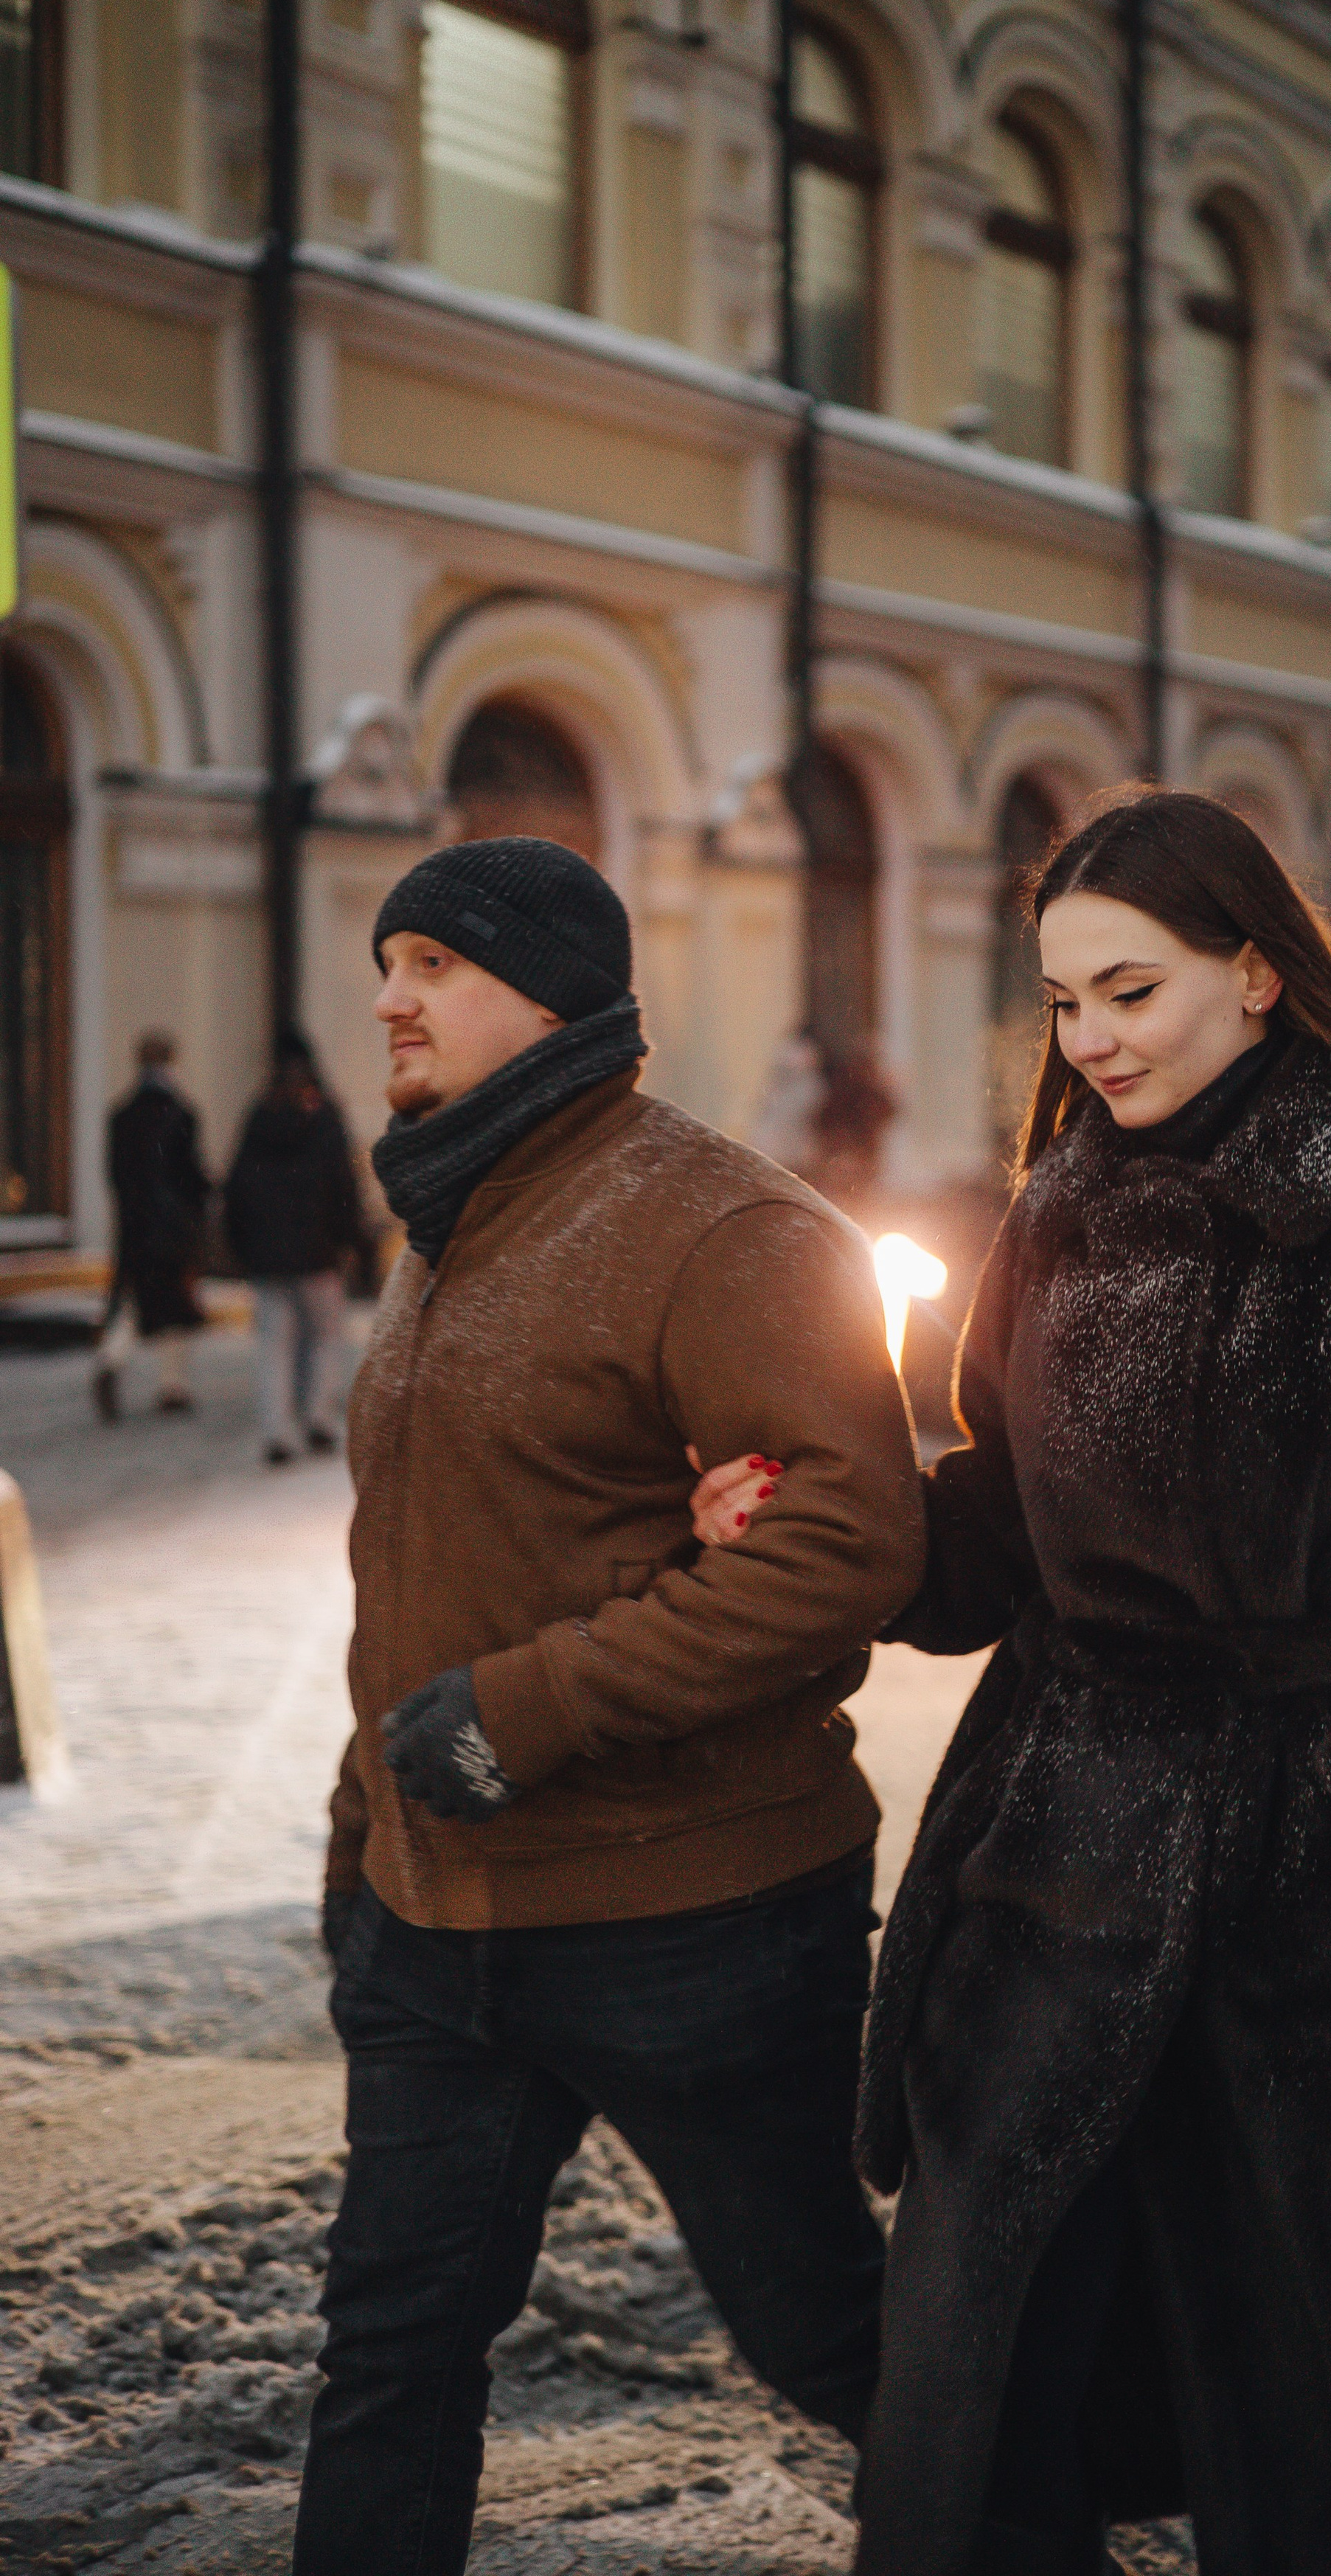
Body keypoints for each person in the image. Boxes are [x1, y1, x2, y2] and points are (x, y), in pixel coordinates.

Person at [689, 790, 1331, 2576]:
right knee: (991, 2408)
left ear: (1258, 972)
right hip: (1049, 1889)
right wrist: (841, 1519)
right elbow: (1004, 1528)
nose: (1091, 1040)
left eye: (1127, 990)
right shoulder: (1060, 1205)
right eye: (1062, 1003)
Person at [296, 835, 925, 2576]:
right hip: (439, 1928)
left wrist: (534, 1707)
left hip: (692, 1923)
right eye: (389, 958)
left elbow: (850, 1538)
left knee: (829, 2335)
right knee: (390, 2350)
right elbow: (430, 1558)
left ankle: (1035, 2517)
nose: (386, 996)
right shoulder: (455, 1214)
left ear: (547, 993)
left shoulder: (721, 1224)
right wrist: (368, 1836)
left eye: (428, 961)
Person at [223, 1031, 369, 1463]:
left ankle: (278, 1430)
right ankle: (320, 1420)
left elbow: (236, 1187)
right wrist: (349, 1238)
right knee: (324, 1339)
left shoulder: (258, 1118)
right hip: (318, 1249)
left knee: (274, 1345)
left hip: (269, 1255)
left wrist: (243, 1243)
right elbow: (344, 1183)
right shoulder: (326, 1118)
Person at [93, 1030, 212, 1421]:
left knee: (130, 1299)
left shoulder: (121, 1115)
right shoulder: (182, 1113)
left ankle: (111, 1359)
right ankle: (172, 1386)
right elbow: (192, 1176)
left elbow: (115, 1174)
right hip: (173, 1227)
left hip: (134, 1224)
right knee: (175, 1305)